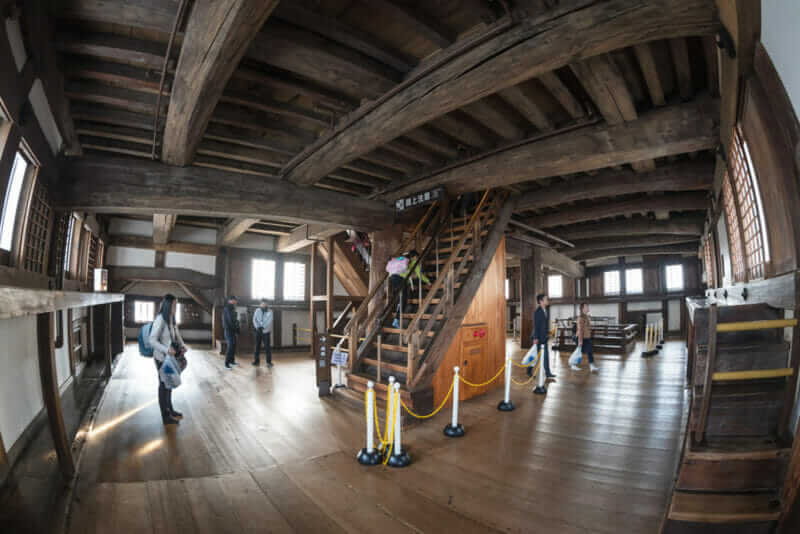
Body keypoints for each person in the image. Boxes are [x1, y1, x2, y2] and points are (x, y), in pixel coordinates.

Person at [148, 294, 186, 425]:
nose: (176, 307)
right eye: (174, 305)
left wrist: (182, 345)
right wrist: (166, 350)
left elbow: (177, 333)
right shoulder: (160, 319)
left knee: (169, 384)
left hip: (169, 358)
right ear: (169, 305)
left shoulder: (171, 318)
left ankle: (170, 410)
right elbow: (151, 340)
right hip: (161, 358)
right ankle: (165, 416)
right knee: (163, 385)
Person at [388, 250, 430, 328]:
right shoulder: (414, 262)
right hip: (400, 280)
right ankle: (396, 320)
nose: (418, 259)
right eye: (417, 257)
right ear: (414, 257)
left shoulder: (401, 259)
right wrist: (428, 282)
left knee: (400, 298)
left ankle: (397, 314)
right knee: (403, 300)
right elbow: (420, 275)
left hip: (392, 279)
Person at [529, 293, 556, 380]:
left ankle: (548, 373)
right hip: (537, 338)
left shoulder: (546, 310)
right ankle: (529, 370)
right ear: (541, 301)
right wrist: (536, 338)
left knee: (546, 356)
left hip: (544, 338)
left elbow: (544, 325)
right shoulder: (537, 312)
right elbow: (536, 326)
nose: (547, 300)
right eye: (546, 299)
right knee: (534, 356)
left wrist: (547, 333)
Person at [574, 302, 599, 372]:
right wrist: (580, 341)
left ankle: (592, 366)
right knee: (581, 352)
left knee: (588, 351)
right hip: (581, 338)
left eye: (588, 306)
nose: (588, 307)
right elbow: (580, 330)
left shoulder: (586, 316)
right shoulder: (581, 318)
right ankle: (573, 364)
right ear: (582, 309)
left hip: (586, 338)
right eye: (586, 306)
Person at [252, 299, 273, 367]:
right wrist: (257, 327)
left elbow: (269, 321)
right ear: (260, 304)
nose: (263, 305)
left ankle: (268, 362)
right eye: (262, 304)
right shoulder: (257, 310)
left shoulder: (270, 311)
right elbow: (254, 319)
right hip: (258, 331)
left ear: (267, 304)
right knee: (257, 346)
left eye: (265, 304)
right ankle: (256, 361)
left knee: (267, 347)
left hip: (266, 331)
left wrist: (263, 327)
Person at [223, 295, 240, 369]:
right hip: (228, 330)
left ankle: (232, 361)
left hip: (233, 330)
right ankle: (226, 364)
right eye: (234, 300)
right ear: (230, 300)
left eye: (235, 300)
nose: (235, 301)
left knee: (233, 346)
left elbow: (235, 320)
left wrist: (237, 327)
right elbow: (230, 321)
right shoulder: (227, 308)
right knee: (230, 346)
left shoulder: (232, 308)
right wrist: (236, 328)